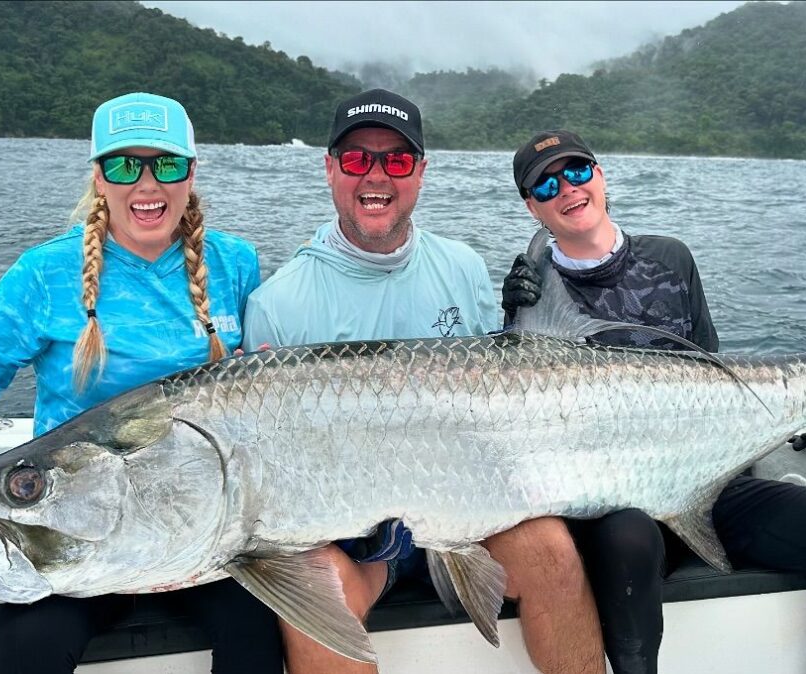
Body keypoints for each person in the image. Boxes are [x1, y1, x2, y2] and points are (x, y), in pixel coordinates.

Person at [0, 92, 284, 673]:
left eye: (167, 164)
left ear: (191, 172)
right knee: (29, 650)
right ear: (100, 177)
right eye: (125, 165)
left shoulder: (234, 263)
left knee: (259, 643)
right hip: (75, 534)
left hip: (202, 532)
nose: (147, 185)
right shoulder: (44, 274)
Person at [501, 129, 806, 674]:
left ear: (600, 175)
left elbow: (714, 379)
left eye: (577, 171)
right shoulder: (532, 291)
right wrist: (511, 326)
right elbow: (519, 415)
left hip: (712, 476)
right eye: (546, 185)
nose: (566, 188)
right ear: (531, 207)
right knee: (627, 536)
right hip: (612, 499)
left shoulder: (670, 258)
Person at [242, 89, 606, 674]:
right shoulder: (278, 305)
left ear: (421, 172)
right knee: (318, 592)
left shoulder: (461, 266)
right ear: (331, 169)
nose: (376, 176)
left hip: (469, 500)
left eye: (398, 160)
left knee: (552, 553)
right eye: (358, 159)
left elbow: (501, 397)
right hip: (353, 530)